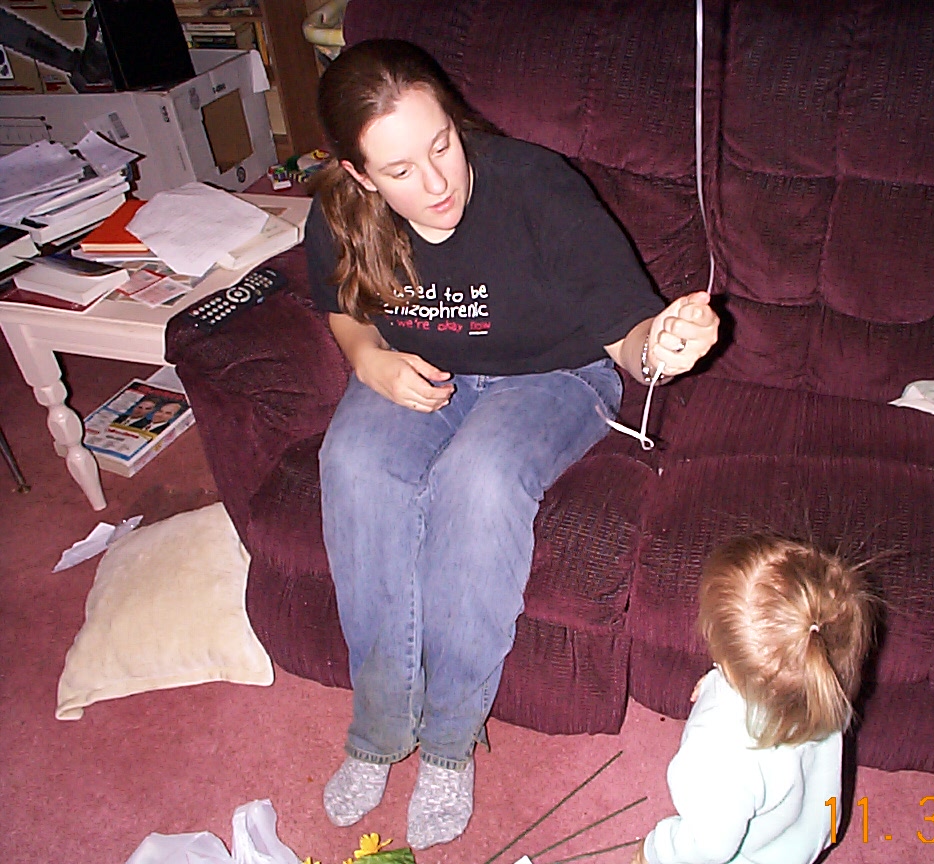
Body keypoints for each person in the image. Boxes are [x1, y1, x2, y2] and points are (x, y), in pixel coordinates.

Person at [305, 39, 720, 849]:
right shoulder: (340, 209)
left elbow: (628, 340)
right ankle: (378, 729)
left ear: (456, 122)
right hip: (420, 370)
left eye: (442, 146)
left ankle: (449, 743)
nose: (437, 184)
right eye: (400, 171)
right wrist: (367, 360)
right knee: (352, 464)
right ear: (359, 175)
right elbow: (342, 306)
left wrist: (665, 347)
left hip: (554, 376)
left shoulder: (536, 186)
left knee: (481, 481)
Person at [633, 534, 877, 864]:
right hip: (805, 836)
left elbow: (709, 845)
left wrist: (657, 852)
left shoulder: (717, 749)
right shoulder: (824, 681)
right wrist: (720, 678)